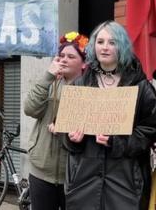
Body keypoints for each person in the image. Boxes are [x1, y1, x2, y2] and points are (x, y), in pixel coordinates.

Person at [63, 21, 156, 210]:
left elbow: (150, 130)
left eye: (112, 42)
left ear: (122, 46)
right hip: (84, 183)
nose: (105, 47)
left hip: (126, 182)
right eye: (100, 41)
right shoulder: (79, 85)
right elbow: (65, 134)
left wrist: (117, 142)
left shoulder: (139, 86)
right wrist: (72, 138)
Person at [23, 31, 88, 210]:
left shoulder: (91, 89)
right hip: (42, 171)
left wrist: (67, 127)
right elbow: (30, 108)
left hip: (75, 174)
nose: (64, 60)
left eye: (71, 56)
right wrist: (47, 76)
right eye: (61, 56)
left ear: (84, 63)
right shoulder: (48, 83)